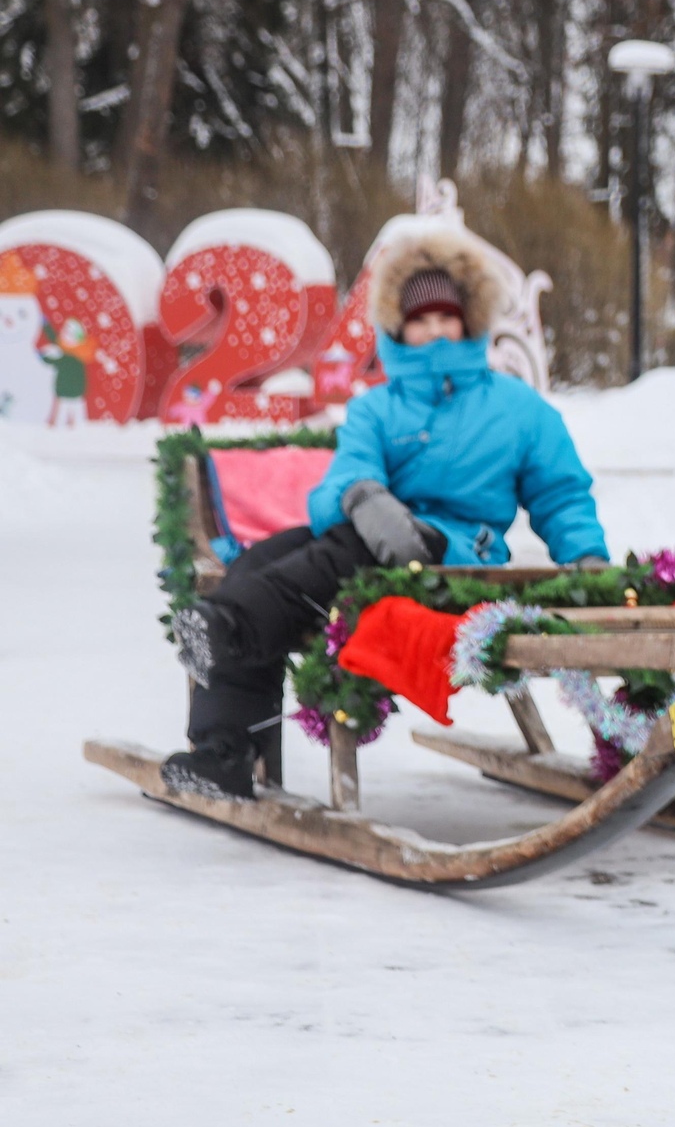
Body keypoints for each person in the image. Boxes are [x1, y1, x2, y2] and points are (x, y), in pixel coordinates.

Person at [161, 221, 609, 799]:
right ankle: (225, 750)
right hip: (372, 537)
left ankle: (226, 628)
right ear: (399, 328)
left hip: (456, 557)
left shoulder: (518, 409)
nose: (436, 331)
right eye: (420, 321)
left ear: (469, 320)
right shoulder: (378, 408)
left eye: (446, 317)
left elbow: (561, 493)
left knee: (339, 553)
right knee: (262, 559)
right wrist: (364, 498)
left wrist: (588, 558)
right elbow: (344, 474)